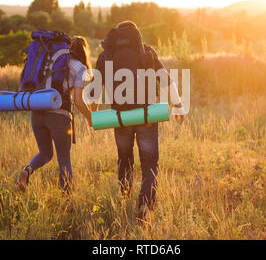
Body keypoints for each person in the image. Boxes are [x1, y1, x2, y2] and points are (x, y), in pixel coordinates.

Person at [92, 21, 185, 220]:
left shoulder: (106, 55)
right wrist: (178, 105)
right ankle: (145, 204)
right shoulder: (146, 52)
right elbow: (167, 80)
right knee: (150, 163)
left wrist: (93, 114)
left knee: (124, 159)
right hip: (147, 117)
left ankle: (125, 198)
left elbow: (93, 92)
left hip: (120, 118)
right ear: (137, 36)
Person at [16, 36, 93, 194]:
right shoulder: (80, 68)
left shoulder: (50, 60)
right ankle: (66, 200)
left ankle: (27, 170)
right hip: (59, 116)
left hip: (37, 111)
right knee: (64, 159)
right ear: (84, 51)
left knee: (45, 153)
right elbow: (78, 101)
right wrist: (90, 117)